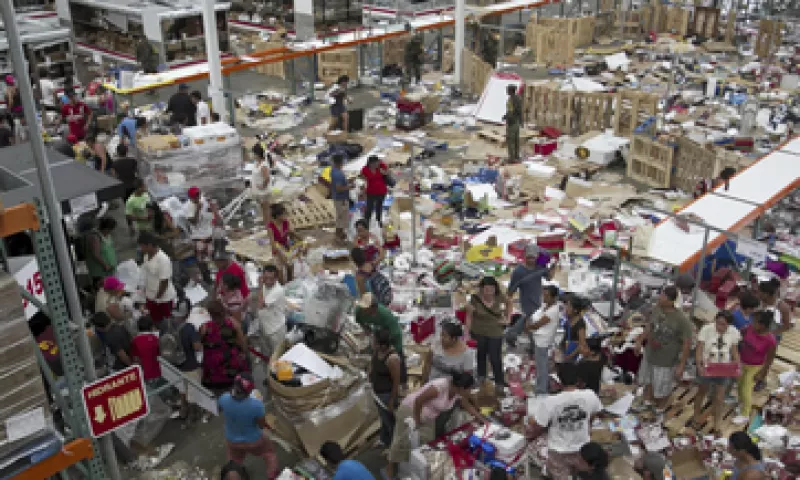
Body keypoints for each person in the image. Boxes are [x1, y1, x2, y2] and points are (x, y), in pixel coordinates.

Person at [385, 372, 487, 479]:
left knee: (427, 442)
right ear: (462, 388)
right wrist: (417, 421)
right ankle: (391, 466)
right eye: (469, 389)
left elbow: (467, 405)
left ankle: (414, 467)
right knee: (401, 440)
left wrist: (483, 420)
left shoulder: (458, 392)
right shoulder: (440, 386)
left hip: (429, 416)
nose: (470, 392)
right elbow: (418, 400)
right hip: (411, 410)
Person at [527, 363, 603, 480]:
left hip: (558, 450)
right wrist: (587, 426)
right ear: (578, 379)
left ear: (559, 380)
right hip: (581, 448)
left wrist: (533, 424)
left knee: (559, 475)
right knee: (578, 473)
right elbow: (594, 413)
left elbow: (537, 425)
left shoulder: (551, 401)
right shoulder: (590, 395)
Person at [635, 286, 693, 412]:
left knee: (663, 386)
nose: (660, 298)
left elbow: (687, 343)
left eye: (663, 296)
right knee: (648, 380)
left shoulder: (681, 320)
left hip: (666, 360)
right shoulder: (657, 309)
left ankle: (660, 408)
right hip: (650, 354)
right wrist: (640, 341)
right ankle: (647, 402)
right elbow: (649, 326)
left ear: (671, 301)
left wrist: (681, 365)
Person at [218, 373, 278, 478]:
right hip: (253, 440)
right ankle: (272, 475)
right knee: (269, 453)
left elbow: (221, 409)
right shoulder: (257, 405)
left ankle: (237, 475)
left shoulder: (223, 399)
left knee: (234, 462)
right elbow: (261, 425)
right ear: (250, 391)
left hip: (232, 440)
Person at [423, 321, 474, 436]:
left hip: (448, 394)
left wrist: (464, 399)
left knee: (441, 421)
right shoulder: (436, 345)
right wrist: (424, 382)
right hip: (432, 387)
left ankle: (438, 438)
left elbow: (467, 379)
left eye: (444, 336)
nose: (441, 338)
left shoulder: (466, 354)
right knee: (428, 416)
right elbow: (428, 363)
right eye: (441, 335)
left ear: (454, 339)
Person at [505, 244, 553, 348]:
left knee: (527, 319)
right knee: (532, 320)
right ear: (524, 256)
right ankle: (533, 345)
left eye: (533, 258)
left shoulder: (540, 266)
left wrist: (553, 266)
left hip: (537, 297)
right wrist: (508, 302)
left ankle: (510, 335)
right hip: (526, 300)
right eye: (528, 257)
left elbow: (549, 277)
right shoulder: (518, 271)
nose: (531, 260)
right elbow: (511, 290)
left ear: (537, 257)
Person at [465, 276, 507, 392]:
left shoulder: (499, 297)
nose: (489, 292)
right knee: (481, 354)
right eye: (486, 289)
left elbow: (509, 303)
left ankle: (499, 382)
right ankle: (481, 377)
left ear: (495, 289)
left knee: (495, 357)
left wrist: (507, 318)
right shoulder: (474, 299)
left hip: (495, 331)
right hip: (479, 331)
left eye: (491, 289)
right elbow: (469, 316)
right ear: (481, 289)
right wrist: (466, 333)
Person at [169, 290, 203, 422]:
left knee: (181, 389)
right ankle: (192, 415)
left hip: (175, 365)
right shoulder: (189, 328)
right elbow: (196, 347)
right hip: (190, 365)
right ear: (188, 313)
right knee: (193, 391)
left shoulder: (169, 325)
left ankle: (183, 411)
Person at [201, 300, 249, 391]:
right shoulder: (233, 323)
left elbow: (200, 344)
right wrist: (243, 352)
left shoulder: (205, 327)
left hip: (212, 366)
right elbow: (242, 342)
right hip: (230, 363)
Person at [737, 310, 777, 419]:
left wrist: (762, 374)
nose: (752, 323)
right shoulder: (750, 329)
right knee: (739, 386)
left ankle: (745, 414)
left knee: (746, 389)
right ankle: (741, 404)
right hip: (742, 362)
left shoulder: (770, 340)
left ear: (762, 325)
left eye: (755, 322)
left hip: (755, 367)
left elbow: (769, 360)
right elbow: (741, 334)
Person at [370, 329, 402, 448]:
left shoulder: (392, 358)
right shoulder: (377, 351)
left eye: (375, 341)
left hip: (387, 395)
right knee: (383, 419)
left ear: (382, 344)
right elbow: (373, 366)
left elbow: (396, 381)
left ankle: (393, 447)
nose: (372, 343)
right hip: (377, 393)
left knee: (390, 422)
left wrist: (392, 400)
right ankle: (384, 440)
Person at [527, 284, 560, 396]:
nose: (544, 298)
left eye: (547, 296)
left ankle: (542, 390)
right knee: (540, 365)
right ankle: (541, 386)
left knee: (542, 367)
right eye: (543, 295)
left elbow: (537, 325)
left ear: (554, 297)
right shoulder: (545, 306)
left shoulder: (553, 311)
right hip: (539, 339)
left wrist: (529, 326)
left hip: (543, 341)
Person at [138, 231, 177, 325]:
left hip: (162, 298)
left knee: (165, 322)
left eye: (142, 246)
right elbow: (146, 274)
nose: (141, 249)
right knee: (154, 319)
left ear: (150, 245)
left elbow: (164, 282)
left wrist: (157, 298)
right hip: (151, 295)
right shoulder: (146, 256)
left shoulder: (163, 260)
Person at [252, 265, 286, 359]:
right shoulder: (264, 285)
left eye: (271, 279)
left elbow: (260, 305)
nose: (268, 281)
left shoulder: (278, 290)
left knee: (277, 356)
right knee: (266, 352)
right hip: (265, 325)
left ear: (276, 278)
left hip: (275, 329)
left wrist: (260, 286)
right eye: (266, 278)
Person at [355, 293, 404, 359]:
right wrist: (366, 329)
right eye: (363, 308)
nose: (364, 310)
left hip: (393, 336)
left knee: (394, 358)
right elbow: (360, 321)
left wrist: (385, 348)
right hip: (379, 330)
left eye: (366, 309)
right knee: (377, 357)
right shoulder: (359, 311)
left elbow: (395, 333)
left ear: (374, 308)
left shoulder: (385, 315)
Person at [186, 186, 216, 269]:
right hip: (199, 238)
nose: (198, 197)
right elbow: (194, 222)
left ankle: (211, 272)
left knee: (210, 258)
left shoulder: (203, 200)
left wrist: (211, 207)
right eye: (195, 196)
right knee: (201, 261)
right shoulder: (187, 207)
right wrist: (198, 210)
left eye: (198, 194)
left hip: (209, 236)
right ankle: (205, 274)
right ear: (190, 197)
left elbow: (210, 213)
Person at [267, 204, 298, 283]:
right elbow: (273, 245)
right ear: (278, 216)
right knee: (280, 275)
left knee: (290, 270)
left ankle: (290, 284)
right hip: (277, 252)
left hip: (286, 249)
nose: (286, 216)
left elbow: (293, 238)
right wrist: (282, 258)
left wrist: (292, 233)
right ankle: (282, 287)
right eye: (284, 214)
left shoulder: (286, 223)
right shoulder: (271, 227)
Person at [556, 295, 590, 367]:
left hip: (572, 358)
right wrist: (559, 348)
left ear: (575, 310)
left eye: (569, 306)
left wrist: (570, 356)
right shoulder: (569, 320)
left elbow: (582, 343)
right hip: (566, 354)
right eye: (566, 305)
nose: (566, 308)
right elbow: (565, 336)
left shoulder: (580, 323)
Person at [85, 217, 118, 288]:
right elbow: (95, 254)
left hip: (109, 270)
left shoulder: (107, 235)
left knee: (111, 289)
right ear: (106, 228)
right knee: (103, 290)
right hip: (100, 271)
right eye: (110, 230)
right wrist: (105, 265)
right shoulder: (95, 237)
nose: (111, 232)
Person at [131, 315, 162, 386]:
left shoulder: (135, 341)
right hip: (156, 371)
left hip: (144, 373)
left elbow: (136, 359)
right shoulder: (155, 338)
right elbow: (159, 354)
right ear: (151, 327)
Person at [360, 155, 390, 228]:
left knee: (379, 208)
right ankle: (366, 223)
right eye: (376, 163)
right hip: (371, 192)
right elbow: (363, 178)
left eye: (377, 162)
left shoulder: (380, 167)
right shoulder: (365, 169)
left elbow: (387, 171)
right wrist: (363, 190)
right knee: (369, 208)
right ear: (371, 163)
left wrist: (381, 164)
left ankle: (379, 222)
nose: (377, 164)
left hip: (381, 191)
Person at [249, 143, 273, 227]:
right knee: (262, 208)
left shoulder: (263, 165)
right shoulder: (256, 163)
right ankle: (266, 223)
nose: (252, 155)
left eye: (253, 153)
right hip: (258, 191)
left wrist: (263, 186)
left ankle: (268, 225)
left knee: (266, 209)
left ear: (257, 154)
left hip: (264, 192)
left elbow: (267, 178)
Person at [329, 154, 350, 243]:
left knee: (341, 217)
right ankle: (338, 236)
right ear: (340, 162)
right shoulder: (338, 173)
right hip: (341, 199)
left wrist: (347, 182)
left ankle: (340, 234)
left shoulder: (334, 170)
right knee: (341, 218)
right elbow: (338, 188)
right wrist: (349, 187)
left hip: (338, 198)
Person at [503, 84, 523, 162]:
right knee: (516, 140)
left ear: (510, 91)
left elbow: (510, 112)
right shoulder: (518, 98)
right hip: (517, 122)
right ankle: (517, 156)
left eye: (507, 89)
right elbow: (520, 111)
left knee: (510, 141)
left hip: (512, 122)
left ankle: (511, 158)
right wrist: (521, 121)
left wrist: (506, 117)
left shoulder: (511, 100)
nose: (506, 91)